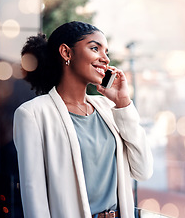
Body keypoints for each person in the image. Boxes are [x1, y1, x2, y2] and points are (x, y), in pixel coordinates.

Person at [13, 21, 153, 218]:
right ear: (66, 53)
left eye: (106, 52)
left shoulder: (108, 108)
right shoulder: (33, 114)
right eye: (95, 48)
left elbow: (143, 170)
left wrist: (123, 103)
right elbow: (34, 196)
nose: (105, 59)